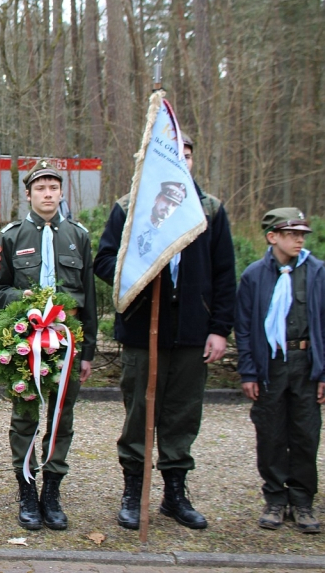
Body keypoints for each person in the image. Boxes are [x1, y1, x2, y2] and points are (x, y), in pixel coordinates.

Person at [94, 132, 236, 531]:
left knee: (182, 416)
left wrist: (219, 328)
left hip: (193, 332)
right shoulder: (131, 208)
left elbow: (225, 274)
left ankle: (175, 494)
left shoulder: (209, 211)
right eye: (174, 155)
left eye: (187, 155)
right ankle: (133, 492)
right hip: (144, 331)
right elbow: (104, 262)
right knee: (140, 413)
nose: (182, 161)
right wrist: (140, 270)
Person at [0, 163, 97, 531]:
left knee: (61, 418)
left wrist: (89, 353)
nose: (48, 193)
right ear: (29, 195)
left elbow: (90, 300)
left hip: (68, 343)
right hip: (28, 344)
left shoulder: (77, 236)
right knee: (25, 418)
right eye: (41, 188)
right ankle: (27, 489)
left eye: (53, 187)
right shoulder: (12, 236)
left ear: (61, 192)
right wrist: (26, 297)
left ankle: (51, 491)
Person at [235, 208, 324, 534]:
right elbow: (243, 327)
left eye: (302, 234)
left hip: (305, 362)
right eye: (291, 234)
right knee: (270, 433)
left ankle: (302, 501)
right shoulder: (254, 275)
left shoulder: (317, 272)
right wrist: (248, 372)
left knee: (305, 434)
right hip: (270, 364)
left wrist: (323, 373)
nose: (299, 239)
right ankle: (274, 498)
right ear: (272, 237)